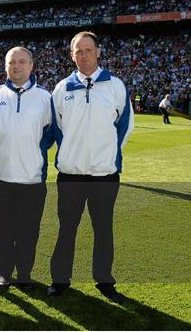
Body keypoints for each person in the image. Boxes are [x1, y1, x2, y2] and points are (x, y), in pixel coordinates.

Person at [48, 31, 134, 303]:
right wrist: (73, 154)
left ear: (98, 51)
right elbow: (57, 128)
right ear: (72, 55)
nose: (83, 55)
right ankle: (60, 279)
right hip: (71, 175)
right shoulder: (62, 88)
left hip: (104, 175)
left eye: (88, 50)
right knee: (66, 229)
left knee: (103, 229)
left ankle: (104, 281)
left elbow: (124, 127)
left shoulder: (116, 86)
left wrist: (104, 154)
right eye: (78, 51)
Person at [0, 46, 55, 291]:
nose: (17, 66)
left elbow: (50, 134)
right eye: (12, 62)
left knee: (28, 231)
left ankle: (24, 274)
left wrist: (31, 154)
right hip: (0, 176)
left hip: (32, 178)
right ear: (5, 66)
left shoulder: (46, 98)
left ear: (32, 66)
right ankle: (3, 273)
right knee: (1, 229)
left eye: (22, 62)